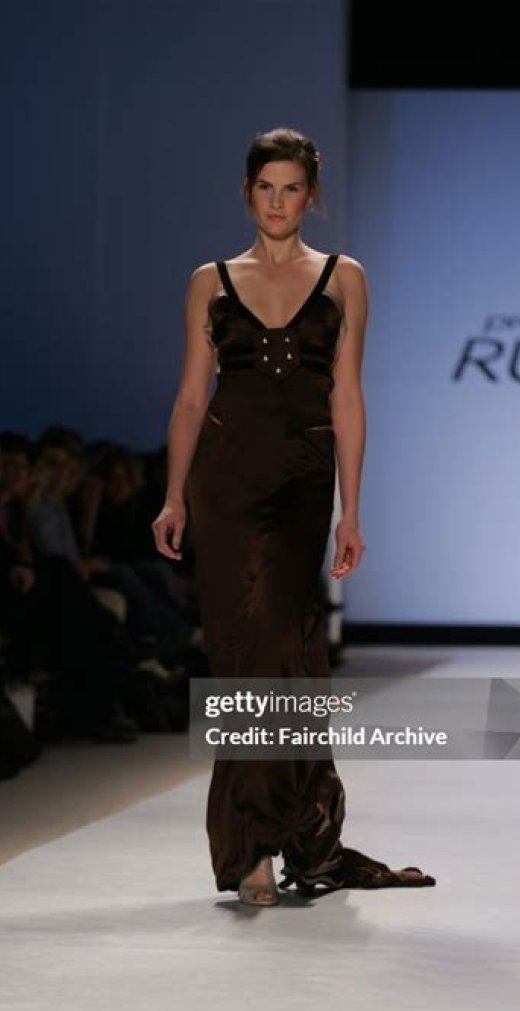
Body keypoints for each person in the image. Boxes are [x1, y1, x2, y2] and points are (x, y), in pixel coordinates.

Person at [152, 127, 436, 906]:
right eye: (265, 188)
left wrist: (352, 509)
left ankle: (274, 836)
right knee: (244, 656)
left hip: (302, 483)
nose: (278, 202)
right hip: (225, 482)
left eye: (292, 189)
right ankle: (256, 847)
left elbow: (347, 397)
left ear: (311, 197)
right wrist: (174, 495)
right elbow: (191, 397)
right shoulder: (209, 281)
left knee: (283, 648)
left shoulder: (345, 278)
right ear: (247, 193)